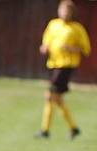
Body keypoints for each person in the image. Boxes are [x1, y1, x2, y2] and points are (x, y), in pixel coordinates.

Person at [36, 0, 91, 140]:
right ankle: (73, 128)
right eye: (62, 10)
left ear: (72, 13)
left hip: (66, 65)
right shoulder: (53, 25)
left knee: (50, 95)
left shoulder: (76, 28)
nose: (64, 13)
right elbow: (46, 41)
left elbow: (86, 49)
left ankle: (45, 130)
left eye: (67, 11)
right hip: (53, 64)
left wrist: (71, 48)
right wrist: (44, 48)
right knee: (57, 99)